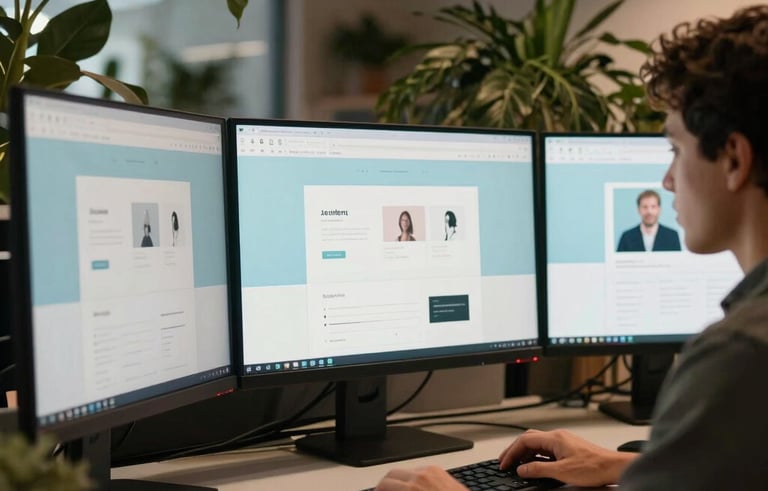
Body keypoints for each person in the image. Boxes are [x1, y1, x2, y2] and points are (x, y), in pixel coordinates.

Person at [374, 5, 768, 490]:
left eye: (675, 149)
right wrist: (630, 467)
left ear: (733, 158)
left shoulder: (740, 358)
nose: (667, 181)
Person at [616, 189, 681, 252]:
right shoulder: (627, 237)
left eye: (653, 207)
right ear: (638, 210)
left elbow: (678, 262)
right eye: (645, 207)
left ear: (659, 209)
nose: (649, 211)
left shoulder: (672, 236)